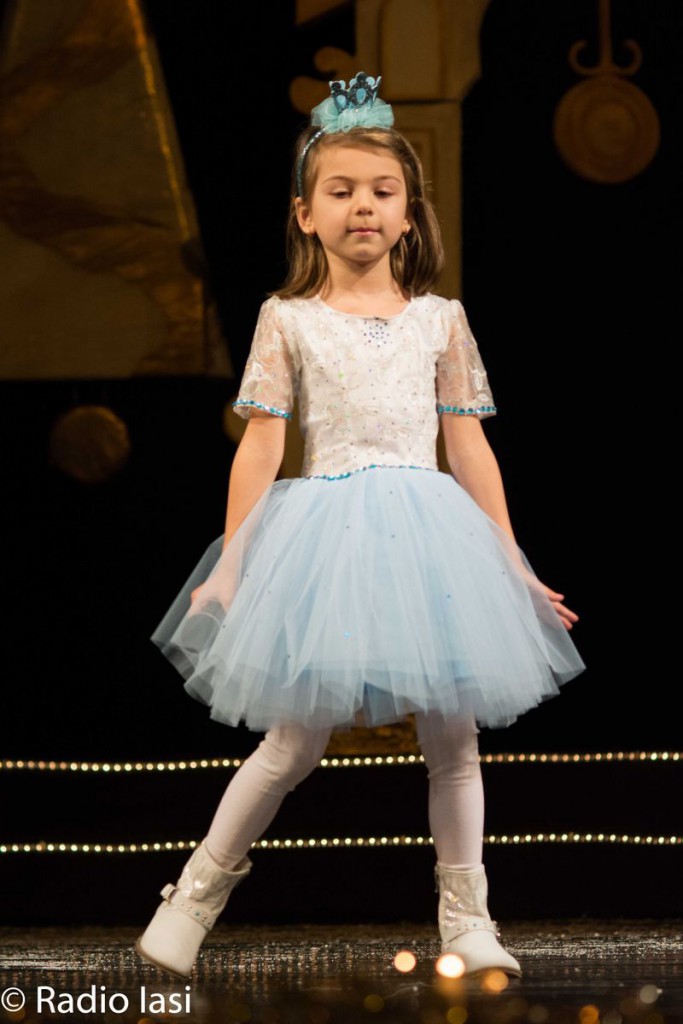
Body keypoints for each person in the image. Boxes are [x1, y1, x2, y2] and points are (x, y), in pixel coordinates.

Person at [136, 73, 585, 981]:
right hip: (326, 538)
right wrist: (231, 561)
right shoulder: (287, 319)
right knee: (292, 741)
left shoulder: (439, 321)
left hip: (430, 538)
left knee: (453, 739)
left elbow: (469, 449)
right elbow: (262, 446)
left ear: (409, 214)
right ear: (306, 215)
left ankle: (466, 920)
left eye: (382, 192)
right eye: (340, 192)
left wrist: (509, 562)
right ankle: (189, 903)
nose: (363, 207)